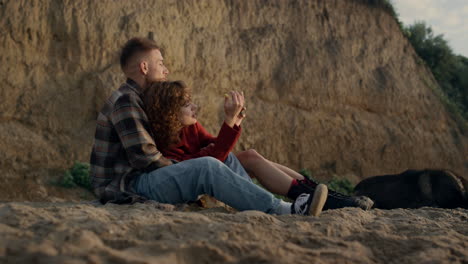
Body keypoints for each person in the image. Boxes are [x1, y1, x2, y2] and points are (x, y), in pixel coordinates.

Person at [89, 37, 328, 216]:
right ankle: (285, 210)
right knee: (206, 167)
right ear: (144, 67)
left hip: (142, 180)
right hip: (127, 187)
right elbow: (146, 159)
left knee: (225, 160)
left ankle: (259, 205)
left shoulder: (138, 99)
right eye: (160, 63)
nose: (166, 70)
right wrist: (190, 167)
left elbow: (208, 148)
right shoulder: (126, 101)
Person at [142, 80, 374, 211]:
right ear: (170, 112)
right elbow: (209, 160)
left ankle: (324, 196)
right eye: (186, 104)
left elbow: (217, 148)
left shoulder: (190, 127)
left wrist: (234, 123)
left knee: (249, 155)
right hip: (197, 186)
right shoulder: (165, 142)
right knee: (238, 159)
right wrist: (229, 121)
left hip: (211, 175)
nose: (194, 107)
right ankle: (312, 203)